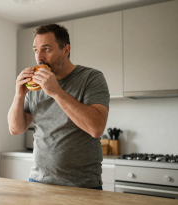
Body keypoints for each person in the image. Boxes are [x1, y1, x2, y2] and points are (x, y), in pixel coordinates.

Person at [8, 24, 110, 190]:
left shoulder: (91, 78)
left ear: (65, 50)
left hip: (82, 186)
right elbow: (15, 129)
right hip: (38, 182)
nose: (39, 57)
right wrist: (19, 95)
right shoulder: (35, 87)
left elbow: (96, 128)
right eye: (35, 50)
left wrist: (56, 91)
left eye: (46, 49)